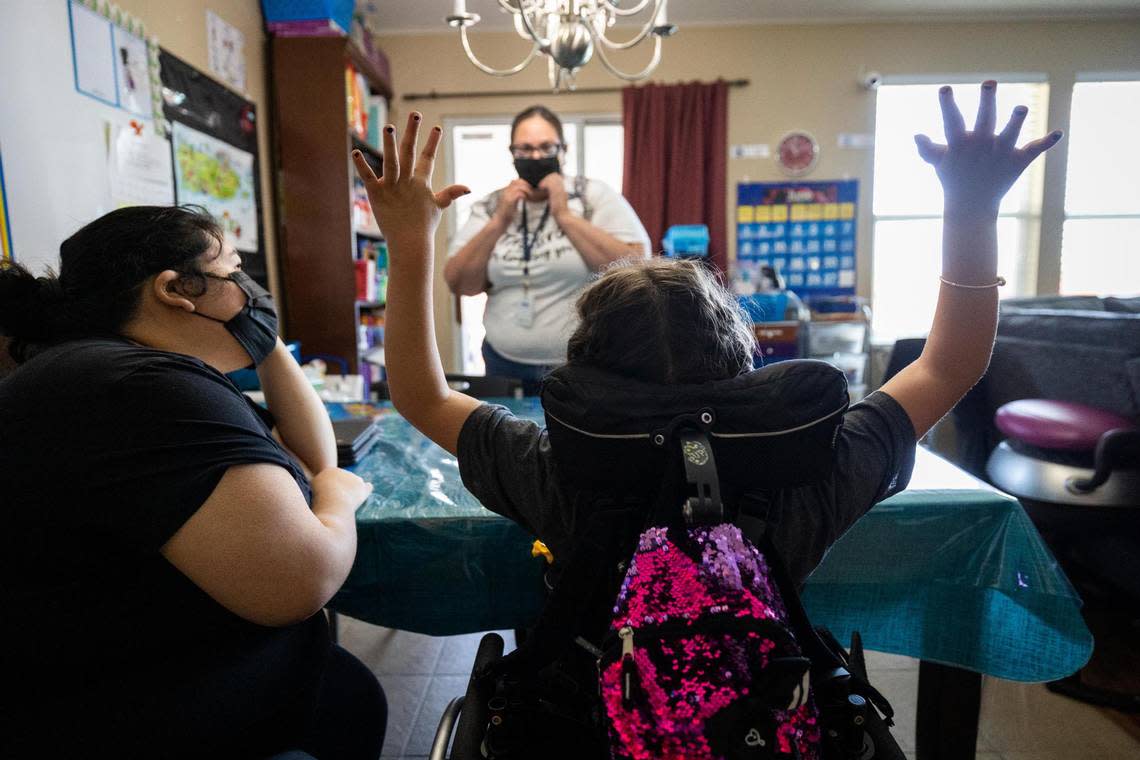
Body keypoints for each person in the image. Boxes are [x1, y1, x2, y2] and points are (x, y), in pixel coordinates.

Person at [352, 80, 1059, 741]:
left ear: (586, 366)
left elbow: (420, 393)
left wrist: (409, 238)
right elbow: (951, 362)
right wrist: (973, 206)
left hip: (599, 730)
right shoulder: (808, 470)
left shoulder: (555, 467)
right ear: (742, 359)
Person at [0, 206, 386, 758]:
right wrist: (338, 500)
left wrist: (266, 342)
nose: (253, 293)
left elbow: (313, 457)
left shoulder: (114, 369)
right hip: (134, 714)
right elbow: (302, 581)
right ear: (176, 289)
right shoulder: (143, 389)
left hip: (151, 680)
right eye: (236, 274)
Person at [444, 105, 651, 393]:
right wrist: (499, 221)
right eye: (525, 149)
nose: (536, 157)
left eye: (546, 147)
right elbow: (459, 282)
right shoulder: (492, 206)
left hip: (582, 364)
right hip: (504, 365)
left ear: (563, 149)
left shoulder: (592, 195)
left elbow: (636, 267)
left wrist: (564, 215)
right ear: (512, 153)